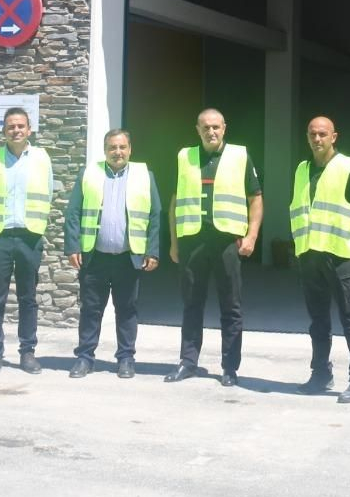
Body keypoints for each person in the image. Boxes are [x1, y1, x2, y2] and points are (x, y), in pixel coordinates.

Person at [165, 108, 262, 387]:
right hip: (192, 240)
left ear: (224, 128)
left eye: (216, 127)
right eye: (206, 127)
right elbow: (174, 202)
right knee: (191, 304)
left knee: (231, 306)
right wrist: (173, 242)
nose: (211, 132)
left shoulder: (240, 156)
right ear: (197, 129)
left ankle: (230, 368)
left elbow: (255, 198)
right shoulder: (184, 157)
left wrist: (252, 236)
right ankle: (188, 362)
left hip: (226, 242)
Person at [64, 128, 164, 378]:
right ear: (105, 150)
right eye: (112, 147)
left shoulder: (144, 175)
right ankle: (85, 358)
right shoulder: (90, 174)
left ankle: (126, 358)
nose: (117, 152)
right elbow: (73, 212)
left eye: (122, 147)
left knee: (127, 309)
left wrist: (152, 250)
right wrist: (73, 246)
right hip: (94, 257)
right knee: (91, 309)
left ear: (130, 149)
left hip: (128, 257)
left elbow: (155, 215)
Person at [291, 116, 350, 403]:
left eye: (322, 134)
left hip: (340, 257)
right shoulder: (302, 170)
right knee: (318, 321)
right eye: (312, 133)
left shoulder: (349, 169)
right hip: (310, 256)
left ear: (333, 137)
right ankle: (320, 374)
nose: (317, 139)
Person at [0, 106, 54, 375]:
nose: (16, 130)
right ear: (4, 130)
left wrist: (37, 227)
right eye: (11, 126)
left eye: (20, 126)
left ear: (29, 129)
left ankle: (27, 352)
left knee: (28, 297)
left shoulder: (42, 158)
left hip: (29, 236)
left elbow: (49, 192)